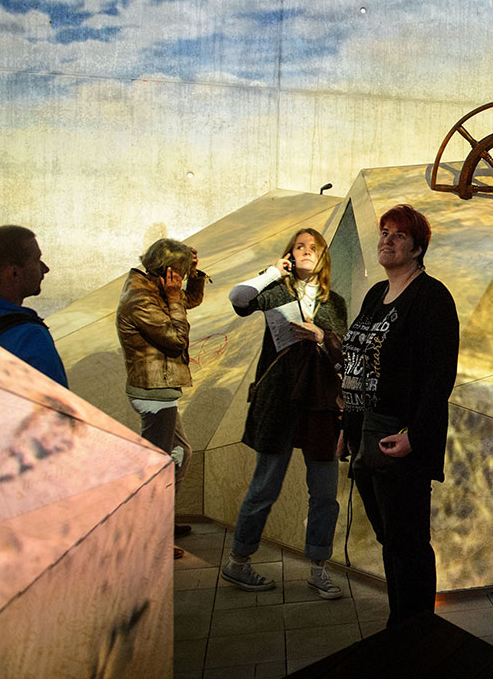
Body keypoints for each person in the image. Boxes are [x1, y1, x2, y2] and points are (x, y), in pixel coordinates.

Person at [340, 204, 459, 627]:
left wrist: (415, 435)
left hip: (399, 438)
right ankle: (402, 622)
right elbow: (357, 362)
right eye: (384, 232)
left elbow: (438, 377)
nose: (386, 240)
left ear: (418, 247)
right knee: (389, 539)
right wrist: (347, 425)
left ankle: (415, 631)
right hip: (365, 434)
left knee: (408, 541)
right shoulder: (375, 295)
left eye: (398, 235)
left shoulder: (431, 297)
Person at [221, 229, 348, 598]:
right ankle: (238, 563)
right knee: (264, 487)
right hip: (279, 400)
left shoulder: (334, 303)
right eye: (299, 247)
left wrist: (321, 337)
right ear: (290, 255)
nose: (306, 252)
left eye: (314, 248)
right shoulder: (276, 291)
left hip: (321, 403)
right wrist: (273, 272)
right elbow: (239, 299)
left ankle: (319, 568)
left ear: (323, 257)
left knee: (324, 492)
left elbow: (343, 354)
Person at [116, 237, 206, 559]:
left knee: (181, 452)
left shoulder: (152, 290)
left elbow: (189, 302)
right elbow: (176, 339)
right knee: (158, 467)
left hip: (161, 391)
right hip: (153, 394)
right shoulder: (141, 300)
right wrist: (172, 296)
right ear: (167, 272)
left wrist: (193, 275)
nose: (180, 282)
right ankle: (151, 536)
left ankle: (162, 520)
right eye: (179, 273)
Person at [0, 225, 67, 385]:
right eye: (36, 260)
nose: (45, 268)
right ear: (14, 273)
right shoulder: (28, 337)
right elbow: (57, 409)